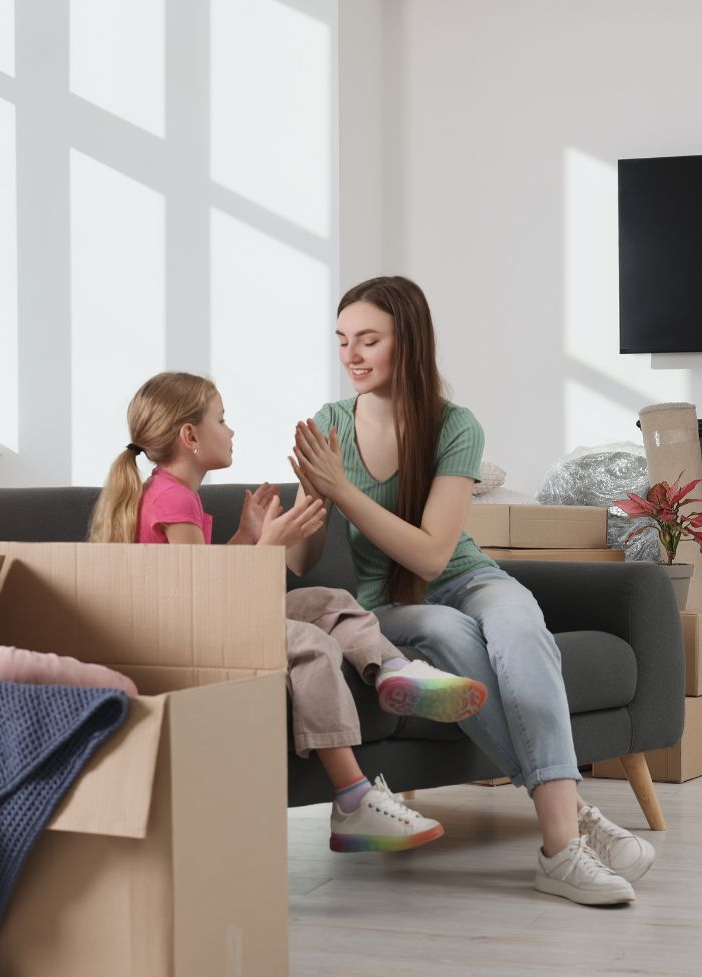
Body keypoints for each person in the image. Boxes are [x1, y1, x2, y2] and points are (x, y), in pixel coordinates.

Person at [287, 276, 656, 906]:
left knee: (519, 627)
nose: (351, 355)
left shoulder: (455, 425)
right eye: (343, 340)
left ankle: (563, 831)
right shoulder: (330, 426)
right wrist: (303, 509)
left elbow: (433, 552)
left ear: (409, 342)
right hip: (391, 605)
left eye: (368, 340)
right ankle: (566, 838)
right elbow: (302, 559)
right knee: (448, 634)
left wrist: (343, 490)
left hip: (466, 575)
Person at [90, 371, 489, 852]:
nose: (231, 429)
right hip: (185, 638)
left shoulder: (172, 492)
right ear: (190, 436)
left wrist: (246, 537)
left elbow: (197, 578)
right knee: (312, 643)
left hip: (199, 620)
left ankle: (392, 672)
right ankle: (352, 799)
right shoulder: (172, 499)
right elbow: (200, 603)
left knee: (330, 602)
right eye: (222, 419)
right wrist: (268, 550)